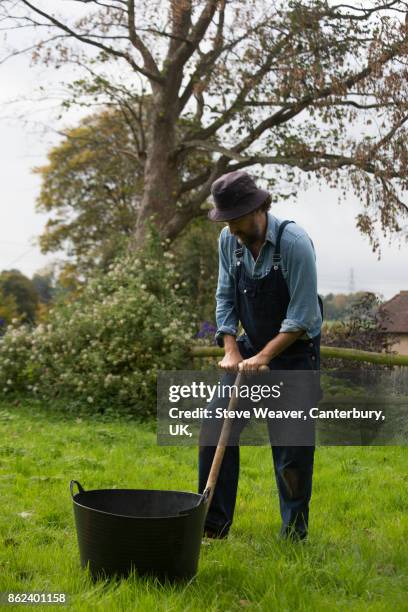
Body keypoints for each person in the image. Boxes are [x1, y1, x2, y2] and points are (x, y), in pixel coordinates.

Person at [198, 169, 323, 541]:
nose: (231, 228)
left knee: (291, 452)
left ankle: (293, 535)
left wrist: (265, 356)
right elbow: (224, 297)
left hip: (295, 354)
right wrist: (232, 348)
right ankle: (213, 527)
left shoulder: (294, 243)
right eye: (226, 221)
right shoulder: (228, 240)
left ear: (257, 208)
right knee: (214, 426)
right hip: (250, 348)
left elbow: (303, 316)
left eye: (235, 220)